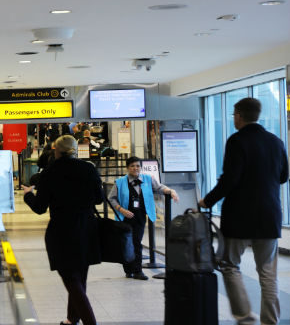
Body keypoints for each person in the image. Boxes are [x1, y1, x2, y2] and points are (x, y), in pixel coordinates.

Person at [199, 97, 288, 325]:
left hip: (239, 217)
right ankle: (270, 321)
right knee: (268, 273)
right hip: (269, 216)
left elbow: (230, 179)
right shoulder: (276, 142)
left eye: (233, 116)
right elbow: (283, 177)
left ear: (238, 115)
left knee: (230, 265)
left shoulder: (237, 141)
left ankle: (245, 317)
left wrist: (207, 201)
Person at [21, 135, 102, 325]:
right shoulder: (89, 169)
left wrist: (28, 195)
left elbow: (40, 208)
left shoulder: (50, 173)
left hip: (62, 230)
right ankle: (71, 320)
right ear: (75, 150)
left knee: (71, 278)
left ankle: (90, 322)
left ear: (56, 151)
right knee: (80, 277)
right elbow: (99, 199)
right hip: (87, 228)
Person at [108, 157, 179, 280]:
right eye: (132, 166)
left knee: (136, 242)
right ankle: (128, 269)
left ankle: (137, 270)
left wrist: (171, 191)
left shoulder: (147, 179)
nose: (135, 168)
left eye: (137, 166)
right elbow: (111, 198)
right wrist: (121, 210)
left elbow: (159, 188)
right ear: (127, 168)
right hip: (124, 217)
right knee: (126, 243)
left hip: (140, 216)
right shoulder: (119, 182)